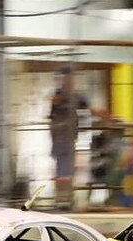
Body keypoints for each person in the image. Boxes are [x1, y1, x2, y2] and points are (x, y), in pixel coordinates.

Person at [49, 68, 89, 209]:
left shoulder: (75, 96)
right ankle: (61, 200)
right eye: (66, 79)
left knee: (68, 169)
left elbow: (85, 105)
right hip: (60, 137)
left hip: (69, 137)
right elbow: (53, 113)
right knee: (62, 170)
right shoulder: (58, 96)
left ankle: (67, 199)